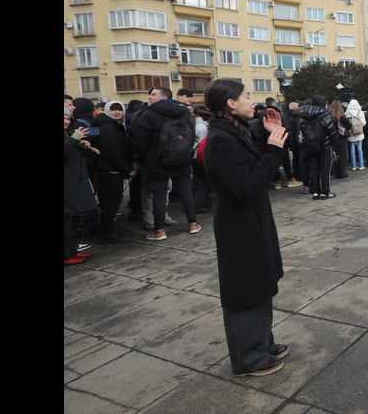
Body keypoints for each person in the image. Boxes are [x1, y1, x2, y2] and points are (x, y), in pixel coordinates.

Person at [202, 79, 289, 377]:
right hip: (238, 227)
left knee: (261, 285)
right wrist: (273, 151)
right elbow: (246, 186)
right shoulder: (221, 139)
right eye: (246, 96)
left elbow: (250, 166)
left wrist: (267, 138)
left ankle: (263, 343)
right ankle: (248, 357)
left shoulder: (234, 131)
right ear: (230, 103)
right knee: (245, 292)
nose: (252, 101)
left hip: (252, 221)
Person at [131, 87, 200, 241]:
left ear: (163, 97)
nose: (149, 97)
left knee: (159, 196)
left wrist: (142, 159)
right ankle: (193, 223)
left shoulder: (148, 114)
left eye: (153, 94)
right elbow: (190, 135)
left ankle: (159, 230)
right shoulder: (183, 112)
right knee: (185, 192)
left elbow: (140, 140)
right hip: (181, 159)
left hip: (156, 162)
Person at [91, 100, 135, 244]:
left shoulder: (113, 125)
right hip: (110, 171)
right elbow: (112, 152)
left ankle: (111, 230)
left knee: (112, 204)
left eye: (120, 109)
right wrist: (128, 169)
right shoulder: (108, 127)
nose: (117, 112)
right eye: (114, 109)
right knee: (110, 205)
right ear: (108, 111)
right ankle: (108, 234)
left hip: (112, 171)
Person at [65, 108, 97, 266]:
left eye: (67, 118)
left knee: (74, 217)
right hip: (67, 182)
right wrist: (73, 140)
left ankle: (72, 250)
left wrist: (79, 144)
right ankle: (66, 254)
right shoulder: (69, 135)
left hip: (74, 179)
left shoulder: (67, 132)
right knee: (66, 220)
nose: (66, 121)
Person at [298, 95, 338, 200]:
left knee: (313, 169)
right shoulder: (325, 116)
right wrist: (334, 143)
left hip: (309, 147)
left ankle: (315, 192)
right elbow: (332, 132)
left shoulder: (304, 116)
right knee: (325, 170)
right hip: (324, 146)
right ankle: (325, 192)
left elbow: (300, 132)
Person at [345, 99, 367, 171]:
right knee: (360, 149)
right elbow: (364, 123)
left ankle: (354, 166)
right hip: (359, 133)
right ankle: (361, 165)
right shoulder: (360, 112)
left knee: (352, 149)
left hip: (351, 133)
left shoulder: (346, 113)